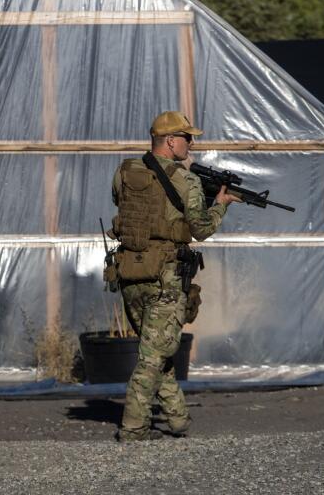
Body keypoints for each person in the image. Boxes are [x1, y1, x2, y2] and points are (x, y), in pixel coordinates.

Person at [108, 111, 240, 441]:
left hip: (130, 272)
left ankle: (179, 420)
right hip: (165, 278)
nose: (191, 144)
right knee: (153, 356)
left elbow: (122, 205)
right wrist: (220, 204)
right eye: (187, 137)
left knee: (158, 350)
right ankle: (134, 428)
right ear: (170, 141)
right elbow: (201, 229)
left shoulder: (125, 171)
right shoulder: (187, 181)